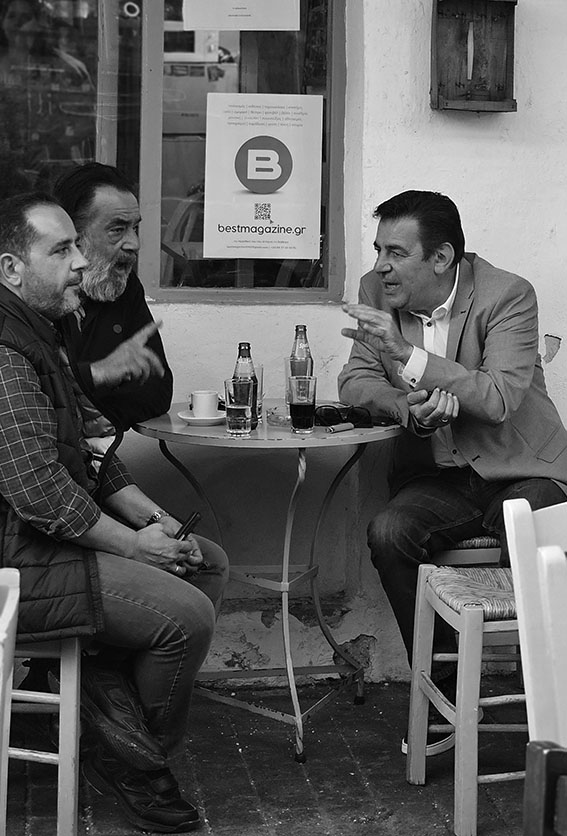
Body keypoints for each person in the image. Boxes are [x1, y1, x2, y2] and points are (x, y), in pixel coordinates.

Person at [0, 192, 228, 832]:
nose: (80, 262)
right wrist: (134, 546)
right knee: (185, 616)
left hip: (45, 545)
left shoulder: (42, 332)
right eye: (61, 250)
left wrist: (156, 523)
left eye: (78, 245)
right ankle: (133, 765)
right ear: (11, 269)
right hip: (15, 562)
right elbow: (40, 490)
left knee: (205, 563)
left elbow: (94, 446)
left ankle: (102, 716)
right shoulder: (6, 351)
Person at [338, 189, 567, 753]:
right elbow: (356, 381)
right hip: (437, 475)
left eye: (396, 252)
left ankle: (550, 700)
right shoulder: (377, 292)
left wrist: (410, 358)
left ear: (441, 258)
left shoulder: (507, 294)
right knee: (389, 533)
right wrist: (407, 407)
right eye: (378, 250)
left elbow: (497, 397)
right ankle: (446, 695)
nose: (380, 266)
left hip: (520, 467)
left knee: (531, 528)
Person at [53, 162, 173, 433]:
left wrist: (97, 412)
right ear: (73, 234)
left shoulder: (124, 286)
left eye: (135, 229)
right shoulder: (36, 294)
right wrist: (99, 373)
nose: (134, 244)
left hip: (95, 452)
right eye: (117, 230)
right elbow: (29, 390)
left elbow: (158, 391)